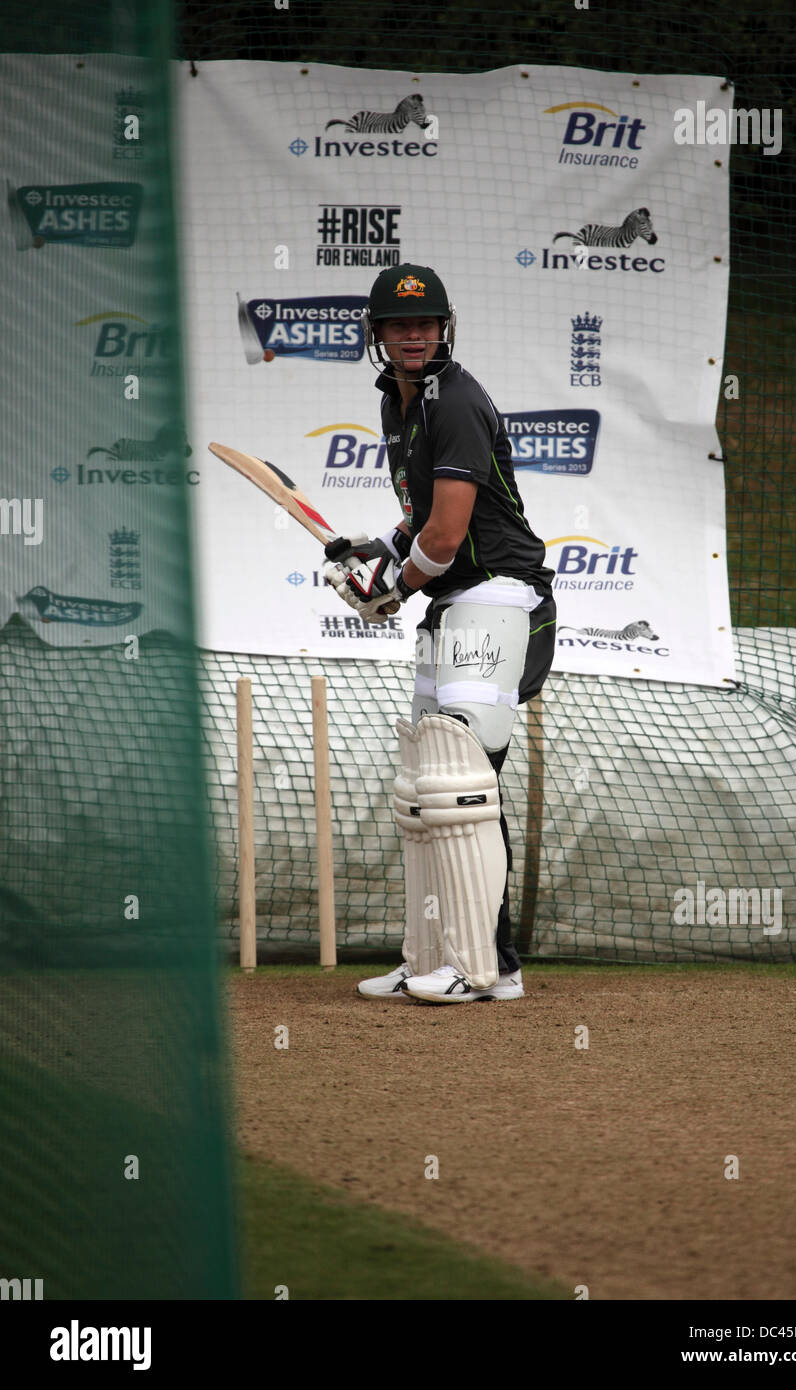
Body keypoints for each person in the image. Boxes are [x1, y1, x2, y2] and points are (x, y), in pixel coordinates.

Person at [322, 263, 556, 1003]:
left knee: (462, 784)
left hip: (497, 594)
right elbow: (421, 520)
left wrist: (392, 588)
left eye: (425, 324)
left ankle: (490, 968)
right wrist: (379, 554)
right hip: (453, 603)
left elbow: (449, 536)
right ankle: (430, 954)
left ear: (443, 328)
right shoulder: (401, 402)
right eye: (399, 325)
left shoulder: (455, 400)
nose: (413, 335)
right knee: (427, 784)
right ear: (379, 337)